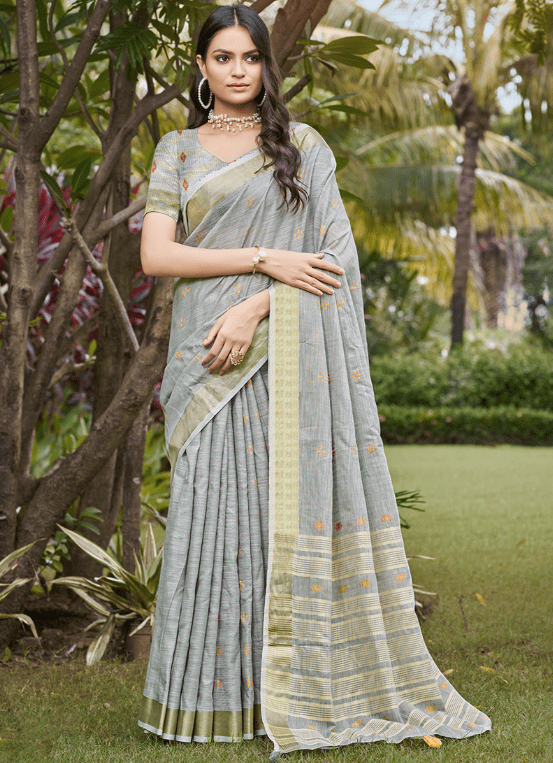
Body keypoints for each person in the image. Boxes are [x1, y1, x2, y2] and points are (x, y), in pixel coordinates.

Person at [137, 4, 491, 758]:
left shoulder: (302, 147)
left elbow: (335, 261)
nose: (237, 70)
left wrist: (258, 305)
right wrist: (263, 258)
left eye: (250, 57)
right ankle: (208, 702)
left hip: (281, 355)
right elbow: (157, 256)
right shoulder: (176, 149)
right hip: (205, 361)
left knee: (277, 522)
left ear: (267, 64)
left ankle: (289, 693)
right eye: (223, 57)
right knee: (209, 523)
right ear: (201, 67)